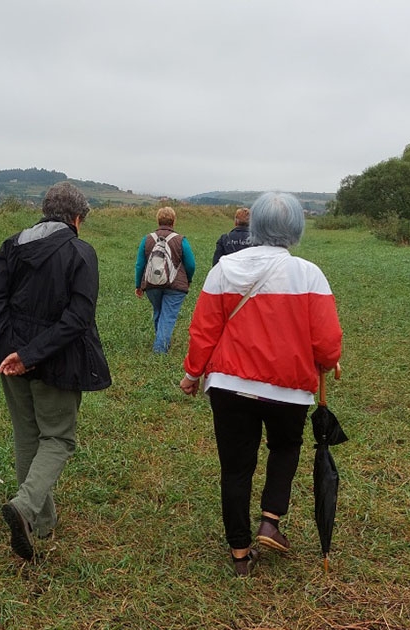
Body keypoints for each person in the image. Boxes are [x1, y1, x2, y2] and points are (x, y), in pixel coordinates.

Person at [178, 192, 342, 577]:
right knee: (285, 448)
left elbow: (205, 330)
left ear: (254, 225)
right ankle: (270, 521)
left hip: (228, 384)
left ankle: (239, 552)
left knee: (235, 468)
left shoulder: (224, 269)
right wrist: (331, 362)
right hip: (289, 389)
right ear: (296, 228)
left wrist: (191, 373)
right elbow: (327, 341)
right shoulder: (309, 274)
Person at [0, 182, 112, 561]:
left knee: (27, 436)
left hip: (13, 361)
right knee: (58, 439)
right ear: (76, 218)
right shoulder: (80, 252)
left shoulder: (12, 244)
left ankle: (41, 521)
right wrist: (30, 354)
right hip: (59, 361)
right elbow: (79, 318)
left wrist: (12, 353)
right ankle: (25, 508)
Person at [134, 206, 197, 353]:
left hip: (151, 283)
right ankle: (160, 349)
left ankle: (160, 340)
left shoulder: (147, 239)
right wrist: (188, 279)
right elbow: (191, 264)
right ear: (174, 221)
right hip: (176, 285)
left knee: (158, 311)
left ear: (158, 220)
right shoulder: (181, 240)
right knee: (168, 315)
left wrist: (139, 285)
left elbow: (139, 264)